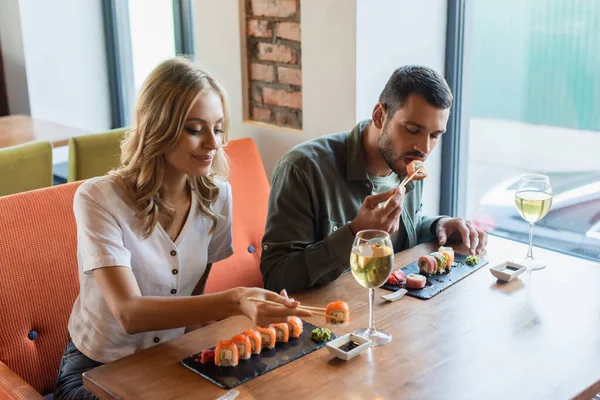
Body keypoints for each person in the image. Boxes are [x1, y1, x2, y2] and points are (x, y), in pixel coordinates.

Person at [53, 57, 311, 399]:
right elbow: (128, 312)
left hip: (169, 361)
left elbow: (192, 303)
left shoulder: (218, 197)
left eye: (217, 129)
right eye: (194, 129)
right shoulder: (98, 198)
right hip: (96, 372)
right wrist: (237, 300)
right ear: (158, 128)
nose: (213, 143)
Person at [260, 65, 488, 293]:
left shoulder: (408, 164)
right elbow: (277, 278)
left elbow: (403, 234)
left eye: (435, 135)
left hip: (394, 311)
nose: (424, 148)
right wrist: (354, 234)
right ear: (380, 115)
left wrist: (438, 226)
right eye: (412, 129)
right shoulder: (303, 169)